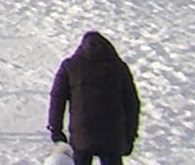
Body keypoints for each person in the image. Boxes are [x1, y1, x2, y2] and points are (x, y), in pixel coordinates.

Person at [47, 31, 140, 165]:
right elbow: (132, 104)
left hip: (82, 135)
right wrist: (130, 136)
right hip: (112, 136)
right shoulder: (118, 67)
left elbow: (57, 99)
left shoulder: (70, 66)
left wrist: (56, 130)